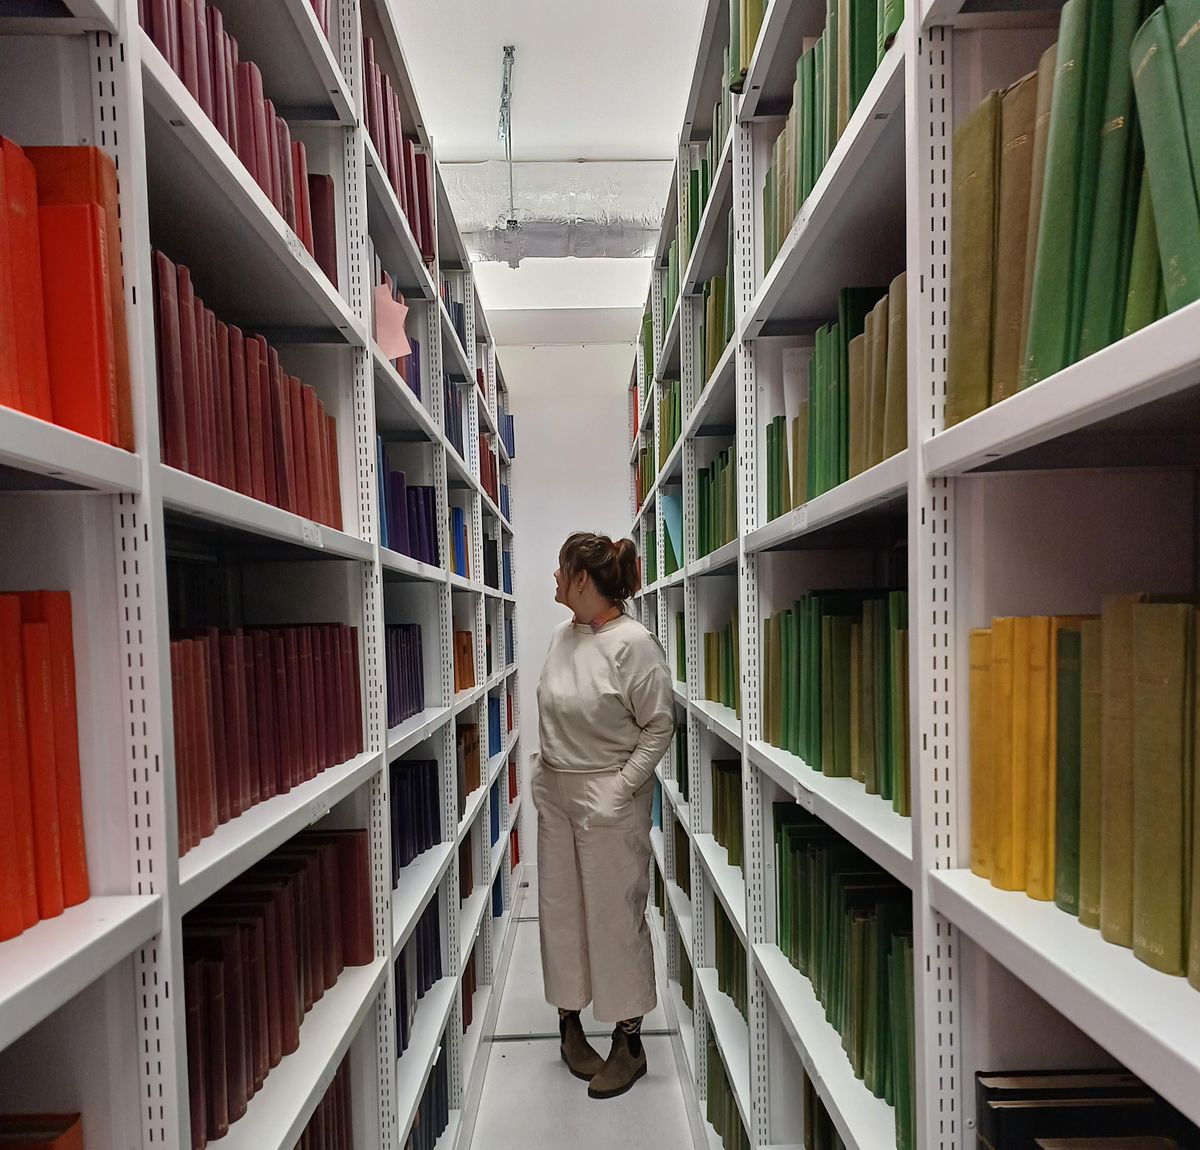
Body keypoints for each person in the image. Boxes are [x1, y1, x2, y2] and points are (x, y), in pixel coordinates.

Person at [532, 531, 674, 1100]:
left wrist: (622, 787)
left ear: (582, 579)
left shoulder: (634, 645)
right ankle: (569, 1025)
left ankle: (629, 1042)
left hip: (607, 795)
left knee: (616, 918)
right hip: (555, 793)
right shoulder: (562, 637)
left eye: (561, 570)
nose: (555, 579)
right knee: (561, 913)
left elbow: (658, 726)